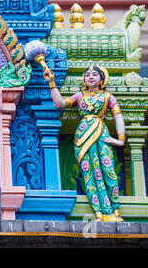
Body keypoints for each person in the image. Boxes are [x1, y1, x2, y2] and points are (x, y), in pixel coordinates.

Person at [44, 64, 125, 222]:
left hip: (102, 134)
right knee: (89, 174)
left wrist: (120, 140)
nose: (90, 76)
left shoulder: (107, 96)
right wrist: (51, 82)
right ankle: (99, 213)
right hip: (82, 137)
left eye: (95, 74)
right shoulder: (80, 96)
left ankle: (114, 210)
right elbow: (60, 104)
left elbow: (118, 116)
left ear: (102, 79)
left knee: (109, 173)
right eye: (87, 74)